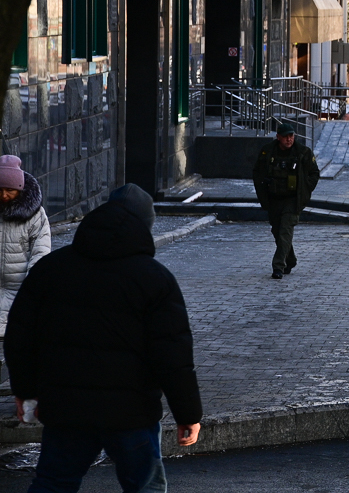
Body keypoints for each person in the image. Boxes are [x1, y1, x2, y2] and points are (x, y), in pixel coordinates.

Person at [6, 184, 203, 493]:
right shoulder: (155, 279)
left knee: (53, 483)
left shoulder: (51, 270)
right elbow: (174, 357)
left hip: (66, 409)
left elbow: (20, 337)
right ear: (144, 227)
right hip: (131, 412)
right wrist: (188, 414)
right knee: (144, 486)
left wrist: (26, 391)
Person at [0, 156, 51, 382]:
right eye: (0, 189)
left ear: (20, 189)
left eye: (9, 190)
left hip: (19, 288)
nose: (4, 195)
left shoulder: (35, 216)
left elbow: (40, 252)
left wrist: (34, 286)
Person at [252, 123, 320, 280]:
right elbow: (257, 171)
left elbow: (314, 173)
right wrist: (262, 188)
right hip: (274, 199)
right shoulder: (267, 151)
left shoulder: (303, 152)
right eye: (285, 137)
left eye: (291, 136)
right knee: (277, 232)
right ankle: (290, 259)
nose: (289, 140)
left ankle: (278, 266)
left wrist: (305, 188)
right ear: (278, 137)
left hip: (293, 200)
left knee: (285, 231)